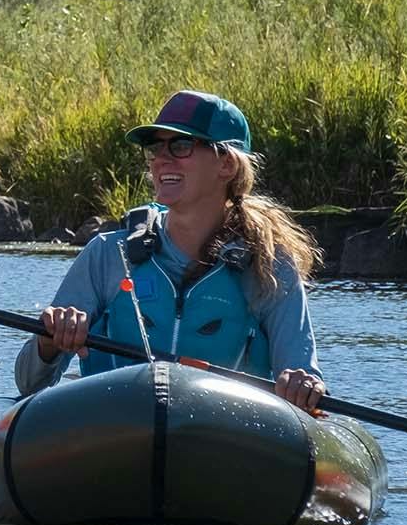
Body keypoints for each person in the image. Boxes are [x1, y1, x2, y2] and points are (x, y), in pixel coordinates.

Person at [25, 89, 327, 414]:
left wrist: (304, 384)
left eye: (181, 146)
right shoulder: (106, 256)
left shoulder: (270, 267)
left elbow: (302, 376)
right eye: (155, 147)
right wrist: (49, 341)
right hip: (112, 438)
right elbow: (29, 383)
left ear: (226, 165)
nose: (161, 159)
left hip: (225, 443)